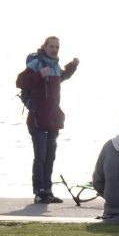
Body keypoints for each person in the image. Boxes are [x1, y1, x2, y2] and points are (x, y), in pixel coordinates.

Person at [19, 36, 79, 203]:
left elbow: (61, 77)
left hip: (53, 119)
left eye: (56, 47)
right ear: (44, 47)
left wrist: (73, 66)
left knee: (50, 156)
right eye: (51, 46)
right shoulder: (36, 63)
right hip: (37, 119)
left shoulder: (54, 65)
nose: (54, 49)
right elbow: (20, 81)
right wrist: (38, 75)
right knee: (40, 157)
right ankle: (39, 193)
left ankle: (48, 191)